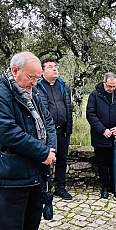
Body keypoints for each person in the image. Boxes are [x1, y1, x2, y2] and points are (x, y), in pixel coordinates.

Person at [0, 52, 57, 230]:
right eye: (32, 78)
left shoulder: (34, 91)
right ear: (15, 71)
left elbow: (47, 121)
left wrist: (52, 149)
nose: (35, 83)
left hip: (36, 167)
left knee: (32, 215)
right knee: (11, 222)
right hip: (10, 169)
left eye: (38, 78)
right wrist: (43, 152)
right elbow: (8, 133)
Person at [86, 72, 116, 199]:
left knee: (114, 162)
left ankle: (114, 186)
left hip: (115, 137)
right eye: (109, 86)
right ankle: (104, 186)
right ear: (104, 83)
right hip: (100, 136)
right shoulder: (94, 95)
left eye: (114, 86)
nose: (112, 89)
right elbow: (91, 114)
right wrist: (102, 130)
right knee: (102, 163)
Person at [37, 58, 73, 200]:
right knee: (44, 159)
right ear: (42, 71)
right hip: (45, 132)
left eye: (55, 67)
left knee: (62, 159)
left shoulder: (63, 86)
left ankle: (60, 187)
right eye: (50, 67)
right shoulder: (37, 87)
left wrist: (68, 127)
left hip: (62, 130)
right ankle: (44, 188)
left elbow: (68, 109)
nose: (54, 69)